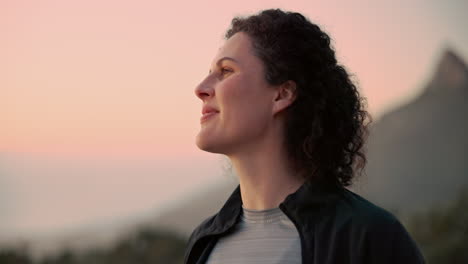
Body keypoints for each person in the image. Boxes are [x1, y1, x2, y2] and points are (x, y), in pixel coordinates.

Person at [185, 9, 425, 264]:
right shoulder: (203, 243)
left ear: (282, 95)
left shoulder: (369, 237)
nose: (200, 88)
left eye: (226, 71)